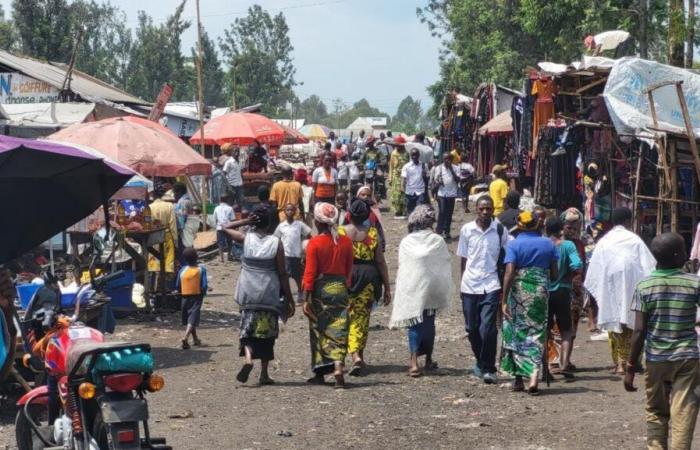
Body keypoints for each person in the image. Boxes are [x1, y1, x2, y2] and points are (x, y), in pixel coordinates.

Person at [625, 232, 700, 450]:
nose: (687, 254)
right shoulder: (694, 283)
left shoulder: (644, 285)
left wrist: (630, 366)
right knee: (684, 409)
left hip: (656, 358)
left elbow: (639, 330)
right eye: (684, 250)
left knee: (656, 410)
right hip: (687, 357)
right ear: (678, 256)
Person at [226, 205, 294, 385]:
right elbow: (282, 274)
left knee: (247, 330)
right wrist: (289, 298)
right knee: (267, 334)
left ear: (254, 223)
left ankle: (248, 359)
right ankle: (264, 374)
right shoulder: (275, 243)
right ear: (270, 223)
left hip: (248, 292)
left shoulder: (246, 238)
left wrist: (245, 221)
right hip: (268, 293)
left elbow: (225, 227)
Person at [584, 207, 656, 374]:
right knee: (633, 321)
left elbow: (594, 269)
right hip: (633, 286)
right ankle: (632, 361)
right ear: (628, 221)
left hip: (610, 287)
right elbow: (649, 267)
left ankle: (619, 363)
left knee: (613, 319)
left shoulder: (604, 241)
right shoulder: (635, 240)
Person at [389, 205, 452, 377]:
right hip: (432, 289)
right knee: (429, 324)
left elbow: (403, 268)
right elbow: (444, 264)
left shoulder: (407, 242)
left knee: (414, 326)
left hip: (413, 289)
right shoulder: (437, 240)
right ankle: (429, 359)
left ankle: (414, 362)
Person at [501, 211, 559, 395]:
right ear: (536, 224)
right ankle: (533, 377)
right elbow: (555, 273)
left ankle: (518, 378)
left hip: (518, 292)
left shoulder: (514, 244)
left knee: (515, 331)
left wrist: (504, 299)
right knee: (537, 332)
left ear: (520, 225)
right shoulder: (549, 244)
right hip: (541, 292)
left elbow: (509, 272)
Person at [457, 196, 509, 384]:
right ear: (476, 209)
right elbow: (463, 258)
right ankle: (480, 360)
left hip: (491, 284)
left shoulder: (500, 230)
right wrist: (461, 283)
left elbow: (509, 253)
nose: (485, 212)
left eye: (489, 208)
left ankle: (489, 368)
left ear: (493, 209)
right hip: (470, 285)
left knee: (487, 328)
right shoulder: (466, 230)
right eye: (482, 209)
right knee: (471, 328)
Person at [303, 203, 354, 388]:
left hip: (320, 290)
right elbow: (349, 270)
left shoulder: (314, 243)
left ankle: (320, 373)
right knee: (339, 329)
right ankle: (339, 366)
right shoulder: (346, 242)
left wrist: (306, 298)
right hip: (340, 288)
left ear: (317, 221)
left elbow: (309, 273)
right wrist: (345, 288)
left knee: (318, 330)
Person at [338, 199, 391, 376]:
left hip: (345, 278)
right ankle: (357, 355)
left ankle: (346, 357)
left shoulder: (340, 233)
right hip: (368, 278)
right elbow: (380, 261)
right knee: (361, 319)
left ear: (349, 215)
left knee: (344, 318)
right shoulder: (373, 234)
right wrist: (387, 286)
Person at [545, 216, 582, 378]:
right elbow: (577, 265)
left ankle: (545, 368)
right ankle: (564, 362)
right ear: (561, 230)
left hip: (544, 292)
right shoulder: (568, 245)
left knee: (545, 330)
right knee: (566, 329)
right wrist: (569, 274)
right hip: (562, 291)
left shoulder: (542, 244)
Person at [561, 208, 587, 368]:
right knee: (559, 328)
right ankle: (555, 362)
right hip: (561, 291)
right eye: (569, 227)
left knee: (572, 328)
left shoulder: (579, 244)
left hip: (575, 292)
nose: (572, 231)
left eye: (575, 228)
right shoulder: (557, 243)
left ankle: (566, 359)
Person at [274, 203, 312, 304]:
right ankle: (284, 295)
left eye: (291, 210)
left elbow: (309, 234)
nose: (290, 212)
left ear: (295, 212)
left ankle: (300, 293)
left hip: (296, 255)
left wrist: (306, 247)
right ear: (284, 212)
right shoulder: (281, 226)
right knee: (284, 275)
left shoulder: (299, 225)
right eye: (288, 210)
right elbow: (276, 239)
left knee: (297, 276)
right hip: (285, 256)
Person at [176, 248, 208, 349]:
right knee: (193, 317)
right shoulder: (201, 269)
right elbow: (204, 285)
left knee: (190, 316)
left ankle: (195, 339)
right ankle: (185, 338)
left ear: (185, 259)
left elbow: (177, 284)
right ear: (197, 257)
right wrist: (204, 292)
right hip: (197, 296)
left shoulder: (182, 270)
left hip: (184, 295)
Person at [148, 183, 177, 282]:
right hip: (167, 236)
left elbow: (148, 224)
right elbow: (173, 225)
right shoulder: (169, 206)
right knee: (168, 264)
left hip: (153, 237)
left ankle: (154, 285)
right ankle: (165, 286)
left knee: (154, 263)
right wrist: (175, 241)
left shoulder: (150, 207)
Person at [434, 152, 460, 239]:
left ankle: (447, 231)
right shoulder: (438, 168)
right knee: (442, 212)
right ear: (443, 159)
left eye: (449, 159)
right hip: (442, 194)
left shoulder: (456, 168)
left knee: (449, 213)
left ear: (452, 160)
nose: (447, 161)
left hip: (451, 194)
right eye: (445, 159)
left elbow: (458, 180)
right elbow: (436, 180)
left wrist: (451, 170)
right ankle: (439, 230)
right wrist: (439, 182)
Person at [401, 148, 427, 216]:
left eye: (416, 155)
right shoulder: (406, 166)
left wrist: (425, 175)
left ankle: (418, 225)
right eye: (413, 155)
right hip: (409, 191)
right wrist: (402, 188)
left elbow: (427, 178)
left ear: (419, 155)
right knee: (410, 211)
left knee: (419, 210)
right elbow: (403, 179)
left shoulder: (424, 165)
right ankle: (411, 225)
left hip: (420, 191)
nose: (414, 157)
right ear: (410, 156)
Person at [388, 136, 409, 218]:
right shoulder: (393, 153)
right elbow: (391, 166)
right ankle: (397, 211)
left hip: (405, 177)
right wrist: (390, 178)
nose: (397, 147)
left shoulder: (406, 153)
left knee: (404, 194)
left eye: (398, 145)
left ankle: (404, 210)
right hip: (396, 177)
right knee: (396, 194)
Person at [214, 195, 234, 262]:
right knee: (229, 242)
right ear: (227, 200)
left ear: (220, 200)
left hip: (219, 227)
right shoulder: (230, 208)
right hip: (229, 227)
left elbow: (215, 219)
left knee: (220, 243)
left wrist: (217, 226)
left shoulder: (216, 208)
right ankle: (229, 256)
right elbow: (233, 219)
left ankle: (221, 258)